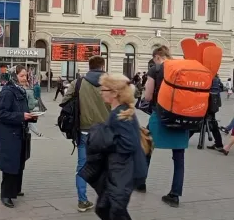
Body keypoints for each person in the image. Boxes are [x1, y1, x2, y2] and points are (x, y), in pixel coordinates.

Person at [79, 73, 147, 220]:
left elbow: (129, 143)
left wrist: (102, 137)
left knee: (113, 211)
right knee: (106, 208)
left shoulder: (121, 114)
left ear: (115, 93)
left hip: (123, 172)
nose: (100, 92)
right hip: (119, 170)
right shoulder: (118, 111)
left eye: (103, 89)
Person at [138, 45, 189, 208]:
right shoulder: (182, 68)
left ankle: (140, 182)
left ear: (157, 57)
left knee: (146, 146)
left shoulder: (156, 69)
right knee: (179, 157)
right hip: (182, 117)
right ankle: (174, 195)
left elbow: (147, 95)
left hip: (160, 115)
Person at [61, 56, 110, 213]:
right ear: (102, 67)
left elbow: (65, 100)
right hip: (104, 132)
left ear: (89, 67)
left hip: (83, 130)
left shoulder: (78, 82)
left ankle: (82, 201)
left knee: (82, 165)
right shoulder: (110, 83)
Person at [0, 65, 36, 208]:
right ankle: (6, 194)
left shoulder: (21, 91)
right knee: (10, 163)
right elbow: (1, 113)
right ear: (14, 76)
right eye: (22, 76)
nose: (25, 78)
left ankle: (16, 189)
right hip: (8, 134)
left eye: (26, 76)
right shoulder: (7, 92)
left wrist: (30, 117)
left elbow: (22, 111)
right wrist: (21, 116)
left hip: (19, 132)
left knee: (19, 162)